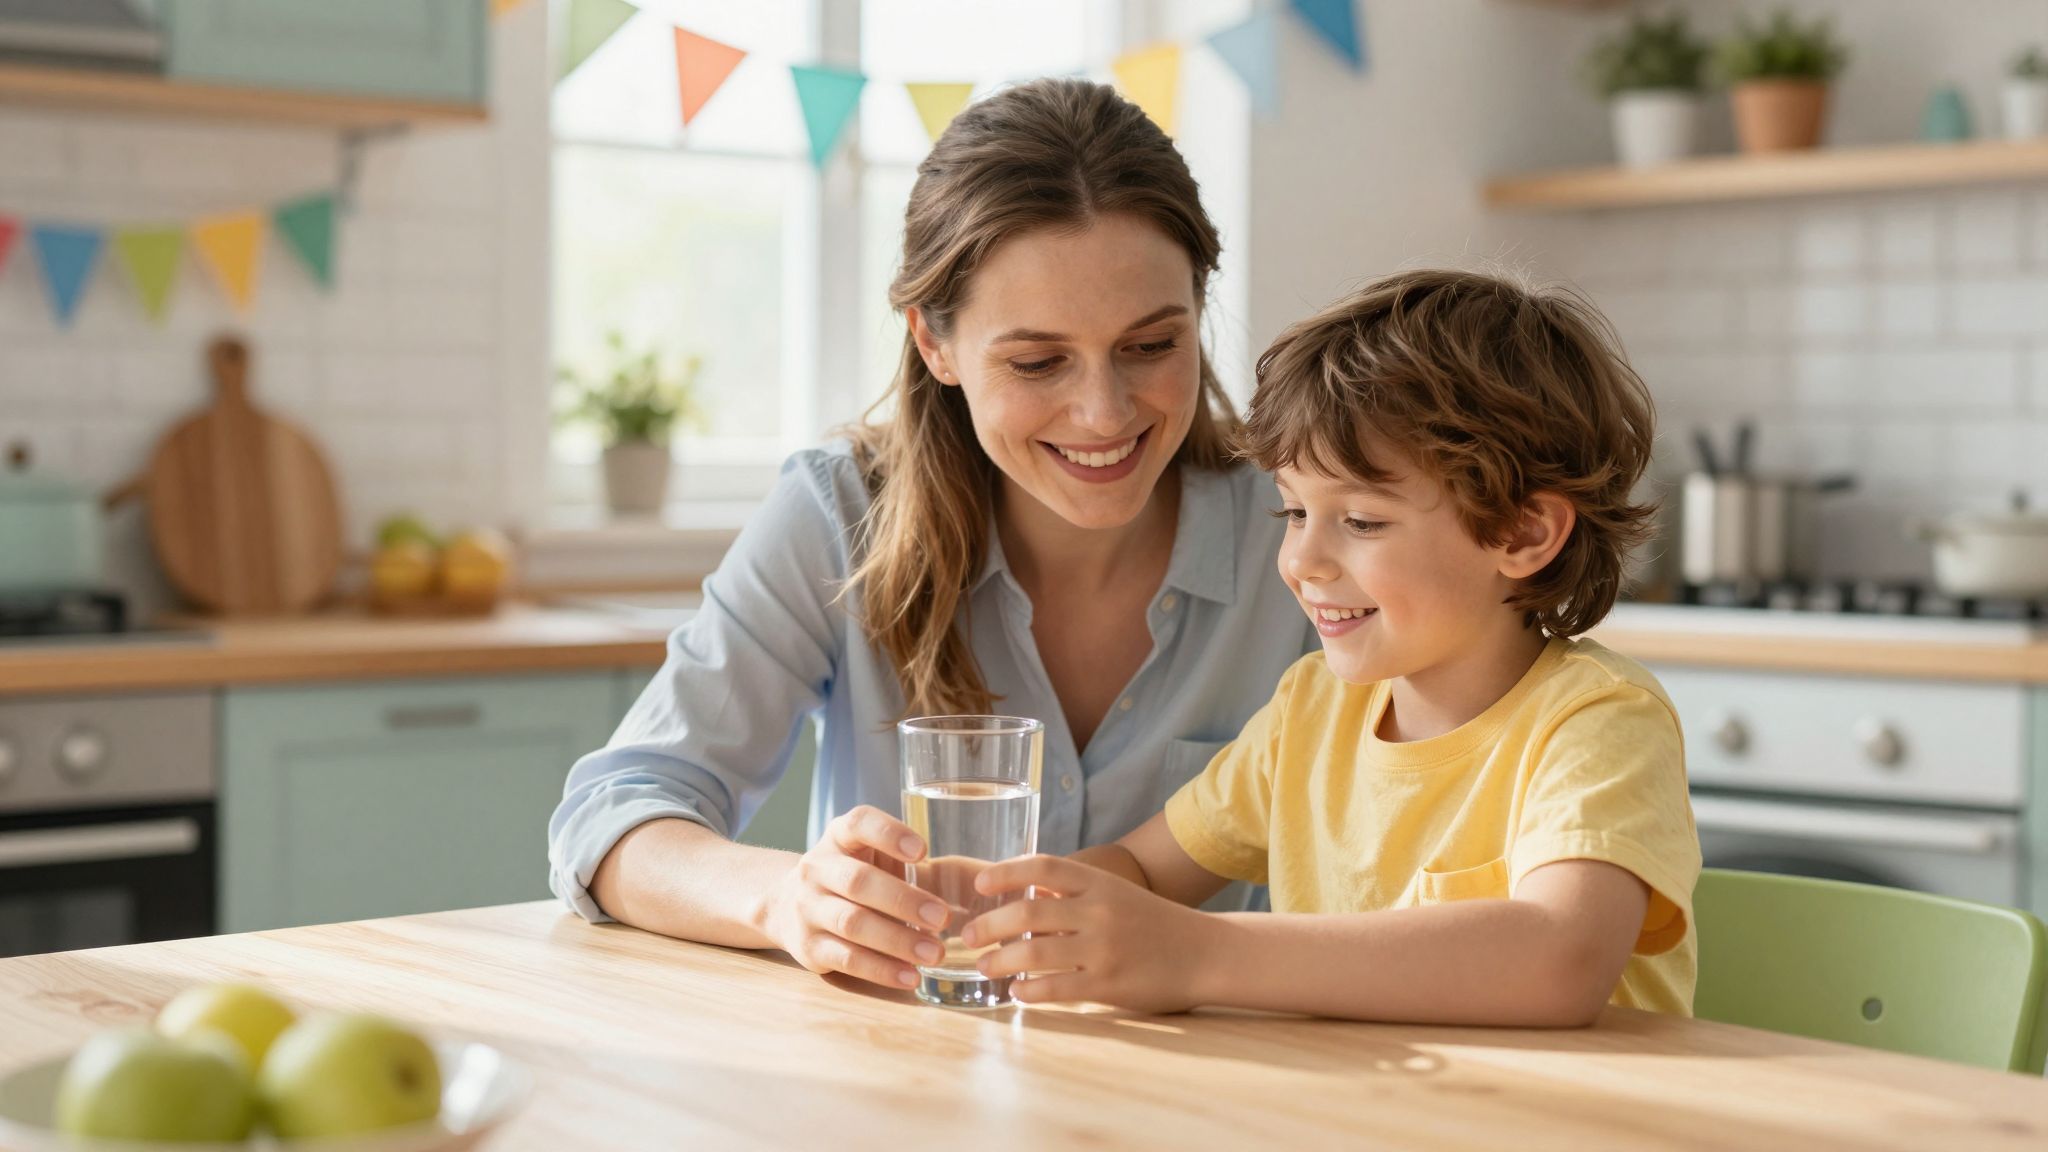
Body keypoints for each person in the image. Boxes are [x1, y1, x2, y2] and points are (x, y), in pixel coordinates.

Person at [547, 77, 1317, 993]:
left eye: (1152, 345)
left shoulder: (1306, 527)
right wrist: (788, 899)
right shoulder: (840, 515)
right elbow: (615, 816)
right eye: (1038, 361)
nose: (1105, 411)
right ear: (934, 343)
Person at [961, 269, 1701, 1023]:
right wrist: (992, 908)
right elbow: (1139, 874)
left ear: (1522, 531)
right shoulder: (1311, 710)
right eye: (1292, 512)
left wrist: (1202, 954)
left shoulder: (1599, 721)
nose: (1302, 562)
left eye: (1362, 522)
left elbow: (1559, 958)